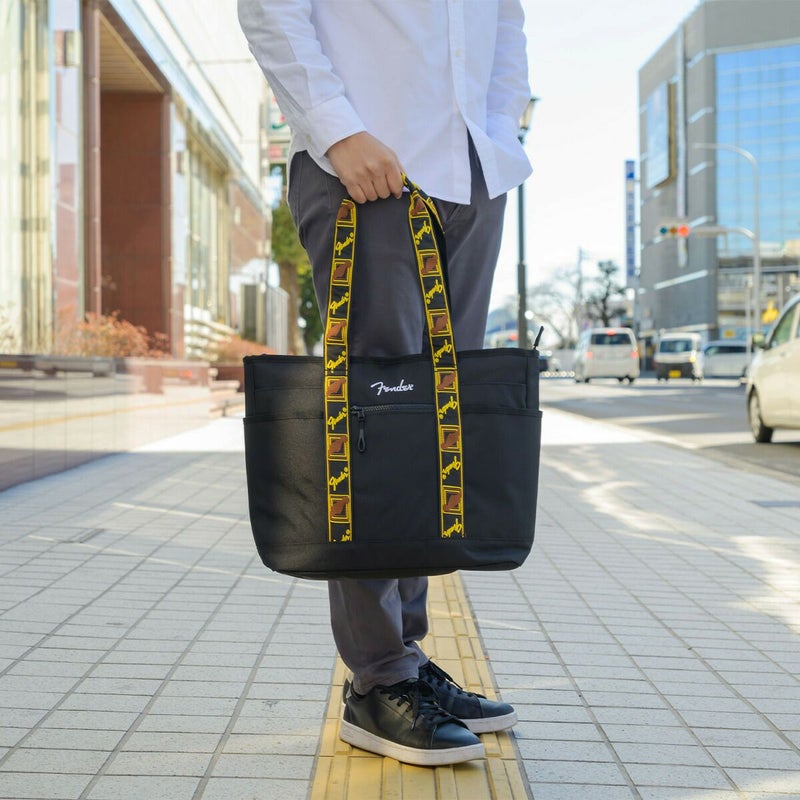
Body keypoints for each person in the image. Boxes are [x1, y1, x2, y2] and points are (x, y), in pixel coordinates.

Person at [238, 0, 533, 767]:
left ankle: (407, 655)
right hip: (365, 168)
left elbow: (504, 24)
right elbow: (271, 9)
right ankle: (377, 680)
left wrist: (499, 137)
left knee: (432, 431)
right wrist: (337, 130)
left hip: (473, 173)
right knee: (374, 427)